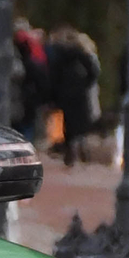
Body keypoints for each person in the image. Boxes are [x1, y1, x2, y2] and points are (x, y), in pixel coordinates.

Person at [45, 23, 102, 162]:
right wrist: (85, 84)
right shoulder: (82, 55)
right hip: (79, 93)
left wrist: (53, 93)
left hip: (64, 93)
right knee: (80, 121)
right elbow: (93, 72)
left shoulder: (59, 56)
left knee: (66, 122)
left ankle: (69, 147)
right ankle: (80, 145)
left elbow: (53, 76)